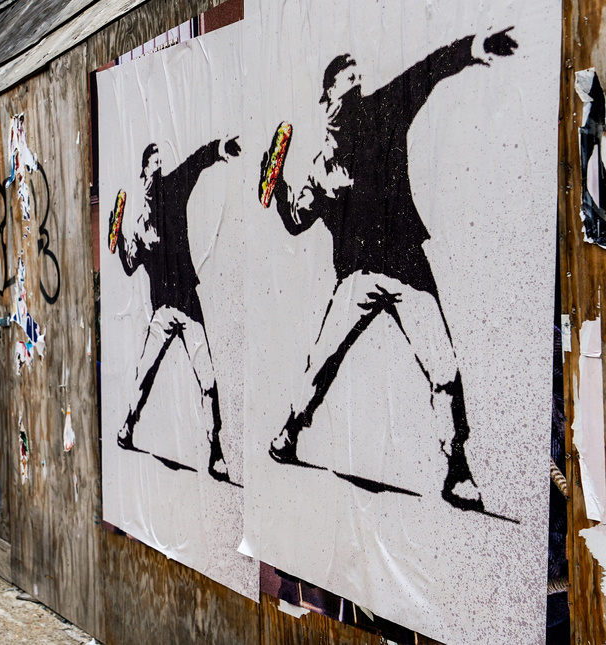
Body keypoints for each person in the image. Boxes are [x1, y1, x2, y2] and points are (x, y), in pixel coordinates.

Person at [263, 28, 519, 512]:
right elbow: (296, 222)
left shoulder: (385, 109)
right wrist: (276, 188)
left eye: (360, 76)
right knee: (321, 362)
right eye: (346, 79)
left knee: (444, 367)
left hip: (406, 267)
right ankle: (290, 430)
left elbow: (428, 70)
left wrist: (473, 47)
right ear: (325, 100)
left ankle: (456, 468)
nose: (356, 83)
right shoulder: (320, 169)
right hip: (357, 276)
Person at [113, 137, 241, 483]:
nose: (157, 167)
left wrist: (219, 149)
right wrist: (122, 235)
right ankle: (127, 426)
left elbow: (196, 161)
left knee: (209, 381)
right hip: (161, 315)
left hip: (187, 306)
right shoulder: (140, 227)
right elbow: (128, 264)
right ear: (143, 177)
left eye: (159, 161)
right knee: (143, 376)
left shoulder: (172, 189)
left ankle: (216, 453)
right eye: (151, 163)